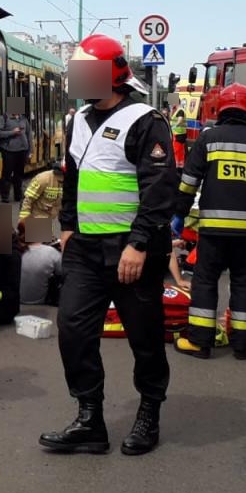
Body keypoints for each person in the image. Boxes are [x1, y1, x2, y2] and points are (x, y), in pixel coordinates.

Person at [40, 34, 179, 457]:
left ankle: (149, 412)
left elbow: (159, 189)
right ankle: (90, 420)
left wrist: (138, 245)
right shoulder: (77, 120)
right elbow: (73, 177)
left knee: (145, 338)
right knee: (74, 330)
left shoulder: (145, 119)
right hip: (85, 247)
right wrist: (66, 225)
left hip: (132, 250)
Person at [171, 83, 246, 360]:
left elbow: (187, 184)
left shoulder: (209, 140)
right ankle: (243, 345)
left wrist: (179, 215)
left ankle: (200, 342)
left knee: (205, 282)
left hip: (213, 231)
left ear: (221, 109)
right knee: (245, 283)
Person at [18, 157, 63, 240]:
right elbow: (27, 200)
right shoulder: (43, 179)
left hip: (48, 219)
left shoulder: (70, 181)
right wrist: (23, 221)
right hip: (37, 217)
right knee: (41, 247)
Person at [0, 108, 32, 204]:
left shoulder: (24, 119)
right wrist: (13, 132)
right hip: (8, 151)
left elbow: (29, 136)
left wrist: (29, 151)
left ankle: (18, 195)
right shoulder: (4, 117)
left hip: (22, 150)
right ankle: (5, 196)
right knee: (6, 174)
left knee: (19, 175)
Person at [19, 241, 63, 306]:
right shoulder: (51, 251)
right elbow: (63, 272)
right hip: (42, 302)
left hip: (15, 300)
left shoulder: (16, 250)